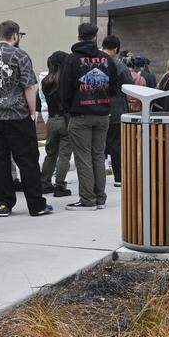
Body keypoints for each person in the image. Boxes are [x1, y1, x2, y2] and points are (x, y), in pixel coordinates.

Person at [0, 20, 53, 218]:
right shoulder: (20, 55)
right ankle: (36, 204)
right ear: (15, 35)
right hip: (17, 115)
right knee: (27, 160)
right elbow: (29, 87)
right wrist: (32, 112)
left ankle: (3, 204)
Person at [61, 23, 121, 210]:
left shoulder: (71, 60)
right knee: (97, 156)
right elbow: (114, 87)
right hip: (103, 115)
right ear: (95, 38)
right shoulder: (106, 60)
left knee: (83, 157)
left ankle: (88, 199)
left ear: (79, 36)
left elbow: (64, 89)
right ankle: (100, 198)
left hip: (80, 115)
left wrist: (70, 109)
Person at [101, 35, 135, 186]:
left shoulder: (94, 61)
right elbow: (130, 86)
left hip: (95, 108)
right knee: (116, 145)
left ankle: (97, 178)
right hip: (115, 110)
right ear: (115, 49)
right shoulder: (118, 65)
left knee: (98, 145)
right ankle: (119, 177)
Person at [40, 51, 73, 197]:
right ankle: (60, 185)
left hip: (51, 120)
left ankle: (45, 182)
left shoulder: (46, 81)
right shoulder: (66, 81)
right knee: (64, 154)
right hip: (65, 120)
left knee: (50, 153)